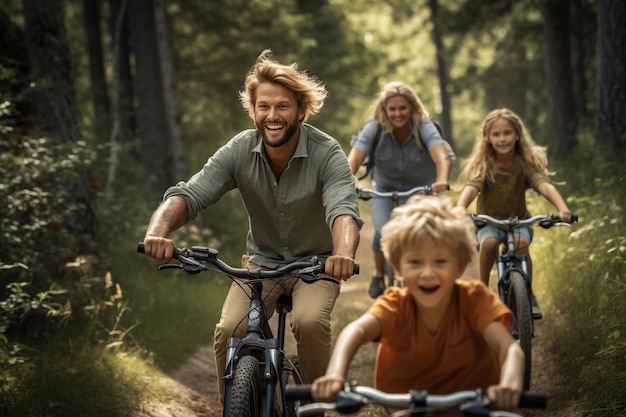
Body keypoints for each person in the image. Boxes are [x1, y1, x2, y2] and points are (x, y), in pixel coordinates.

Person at [141, 50, 362, 403]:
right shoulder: (239, 149)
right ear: (254, 110)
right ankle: (238, 407)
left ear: (301, 111)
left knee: (308, 322)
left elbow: (343, 211)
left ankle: (315, 404)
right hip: (260, 267)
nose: (272, 116)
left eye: (282, 107)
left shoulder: (327, 152)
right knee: (229, 330)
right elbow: (191, 193)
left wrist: (343, 254)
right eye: (263, 106)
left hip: (317, 265)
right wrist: (157, 233)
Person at [311, 195, 525, 413]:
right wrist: (335, 374)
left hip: (474, 408)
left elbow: (508, 349)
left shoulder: (474, 299)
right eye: (415, 262)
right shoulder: (395, 305)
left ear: (459, 267)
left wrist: (509, 385)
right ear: (397, 268)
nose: (428, 273)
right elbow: (355, 331)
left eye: (440, 262)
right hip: (407, 409)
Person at [456, 108, 572, 319]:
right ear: (488, 138)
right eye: (496, 134)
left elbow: (543, 185)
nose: (502, 139)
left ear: (517, 135)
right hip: (488, 222)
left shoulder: (524, 164)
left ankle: (528, 295)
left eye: (507, 133)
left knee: (521, 245)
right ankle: (483, 291)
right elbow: (472, 187)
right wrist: (460, 207)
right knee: (489, 243)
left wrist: (562, 208)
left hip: (519, 222)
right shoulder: (485, 165)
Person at [347, 81, 452, 299]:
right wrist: (345, 183)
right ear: (384, 109)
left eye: (402, 108)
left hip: (419, 190)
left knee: (418, 234)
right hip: (384, 188)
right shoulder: (374, 129)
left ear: (412, 107)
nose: (397, 113)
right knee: (381, 231)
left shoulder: (424, 127)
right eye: (392, 108)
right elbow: (354, 160)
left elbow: (441, 155)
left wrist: (441, 180)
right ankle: (378, 273)